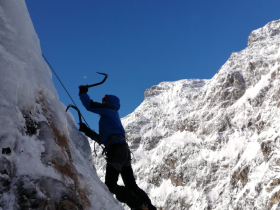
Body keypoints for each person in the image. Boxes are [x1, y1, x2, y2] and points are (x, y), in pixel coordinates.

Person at [78, 86, 156, 210]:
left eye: (104, 100)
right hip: (123, 150)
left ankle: (139, 206)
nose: (102, 102)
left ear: (109, 102)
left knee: (110, 186)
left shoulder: (109, 110)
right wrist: (88, 131)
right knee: (131, 185)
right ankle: (149, 207)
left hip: (116, 150)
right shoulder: (111, 118)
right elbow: (103, 139)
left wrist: (83, 93)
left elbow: (89, 105)